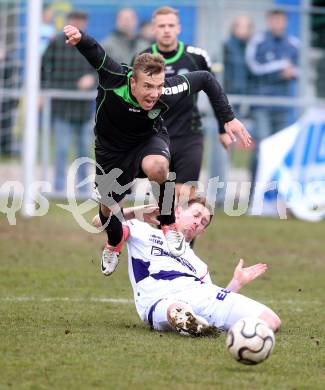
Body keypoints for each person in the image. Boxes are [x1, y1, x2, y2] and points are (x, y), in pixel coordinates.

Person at [63, 24, 251, 276]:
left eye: (159, 86)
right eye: (148, 86)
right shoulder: (114, 77)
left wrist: (227, 117)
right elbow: (95, 52)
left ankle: (168, 224)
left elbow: (205, 78)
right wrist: (80, 37)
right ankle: (113, 243)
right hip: (111, 151)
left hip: (148, 140)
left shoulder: (167, 90)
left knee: (159, 167)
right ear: (133, 81)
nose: (154, 94)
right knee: (108, 210)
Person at [93, 197, 281, 336]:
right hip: (159, 299)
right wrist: (137, 212)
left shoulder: (200, 266)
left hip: (199, 295)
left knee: (271, 321)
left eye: (203, 222)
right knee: (175, 309)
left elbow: (213, 303)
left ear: (202, 231)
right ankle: (188, 322)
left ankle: (199, 325)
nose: (197, 222)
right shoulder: (142, 231)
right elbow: (99, 221)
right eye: (196, 215)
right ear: (178, 212)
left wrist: (236, 283)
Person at [137, 6, 233, 203]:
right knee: (163, 201)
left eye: (171, 25)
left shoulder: (196, 56)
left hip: (190, 135)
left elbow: (214, 90)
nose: (166, 30)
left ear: (178, 28)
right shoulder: (142, 59)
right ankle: (164, 233)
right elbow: (134, 100)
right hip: (156, 138)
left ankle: (186, 234)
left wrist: (223, 127)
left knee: (184, 196)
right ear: (153, 29)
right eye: (161, 26)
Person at [246, 9, 300, 200]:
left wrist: (293, 72)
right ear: (269, 22)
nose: (279, 24)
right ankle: (256, 195)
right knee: (262, 148)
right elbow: (253, 67)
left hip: (284, 106)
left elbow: (303, 69)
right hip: (262, 105)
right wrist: (281, 68)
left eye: (282, 21)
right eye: (275, 21)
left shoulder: (293, 44)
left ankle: (278, 197)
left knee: (283, 150)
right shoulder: (259, 41)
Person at [41, 11, 96, 195]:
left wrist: (91, 78)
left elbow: (102, 69)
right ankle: (58, 189)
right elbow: (42, 68)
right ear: (67, 23)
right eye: (73, 21)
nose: (77, 24)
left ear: (86, 23)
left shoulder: (91, 44)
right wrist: (44, 92)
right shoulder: (55, 42)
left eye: (80, 21)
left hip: (83, 109)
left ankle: (83, 190)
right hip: (61, 107)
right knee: (61, 150)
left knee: (83, 151)